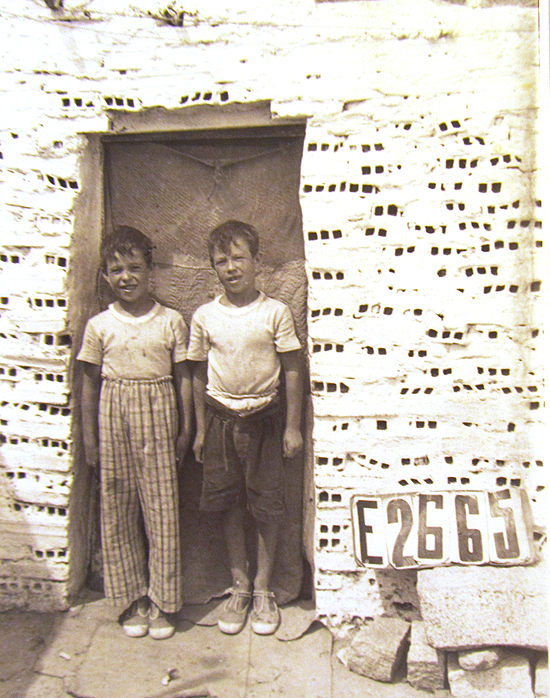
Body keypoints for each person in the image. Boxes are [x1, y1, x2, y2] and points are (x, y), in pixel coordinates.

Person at [188, 220, 303, 636]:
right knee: (230, 505)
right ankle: (238, 586)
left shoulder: (275, 312)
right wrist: (200, 430)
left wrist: (292, 427)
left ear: (257, 262)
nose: (231, 267)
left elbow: (292, 370)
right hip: (220, 420)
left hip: (264, 423)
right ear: (213, 268)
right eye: (222, 260)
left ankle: (262, 588)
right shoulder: (205, 316)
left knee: (267, 507)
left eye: (239, 257)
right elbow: (198, 374)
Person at [77, 226, 192, 640]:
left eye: (134, 268)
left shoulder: (172, 321)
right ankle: (132, 597)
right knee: (118, 505)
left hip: (160, 413)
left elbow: (183, 378)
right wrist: (89, 440)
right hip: (113, 414)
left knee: (162, 509)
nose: (126, 277)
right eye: (116, 270)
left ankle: (163, 599)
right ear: (106, 276)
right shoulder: (99, 325)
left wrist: (185, 429)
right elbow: (89, 383)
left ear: (150, 271)